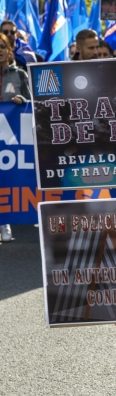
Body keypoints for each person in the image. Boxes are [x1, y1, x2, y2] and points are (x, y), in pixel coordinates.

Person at [0, 33, 31, 242]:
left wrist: (21, 99)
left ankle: (5, 223)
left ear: (8, 50)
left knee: (7, 180)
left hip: (11, 138)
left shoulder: (20, 75)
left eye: (2, 47)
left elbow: (32, 102)